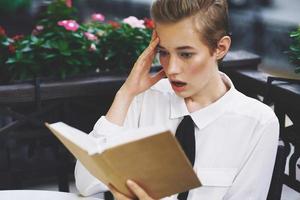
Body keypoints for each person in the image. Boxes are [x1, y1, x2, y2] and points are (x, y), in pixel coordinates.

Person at [74, 0, 279, 199]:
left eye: (186, 54)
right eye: (163, 52)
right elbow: (86, 182)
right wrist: (125, 94)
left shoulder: (258, 122)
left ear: (220, 48)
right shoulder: (144, 98)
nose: (170, 69)